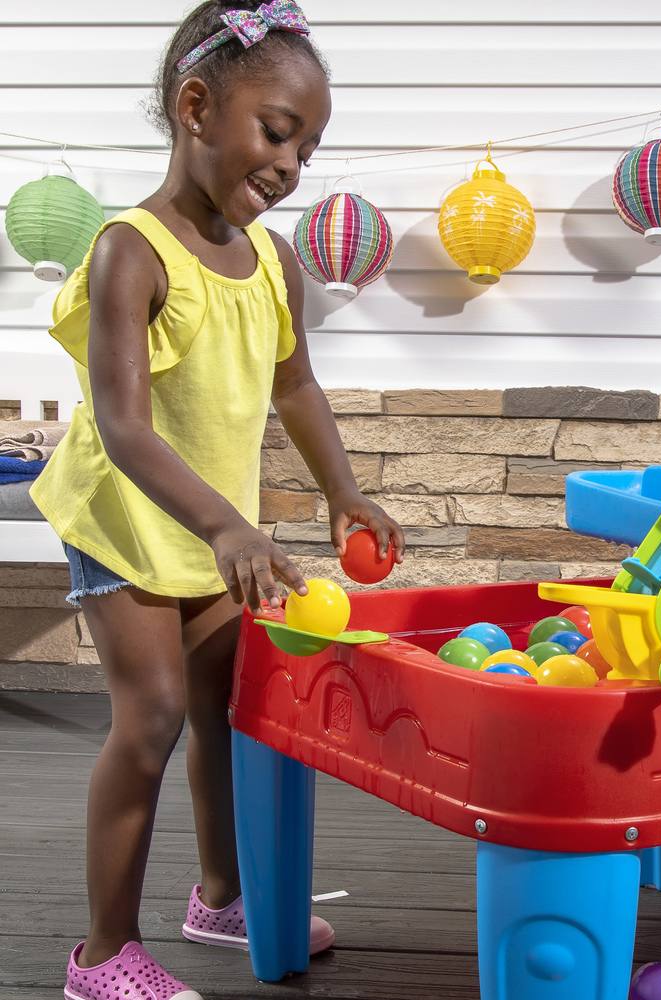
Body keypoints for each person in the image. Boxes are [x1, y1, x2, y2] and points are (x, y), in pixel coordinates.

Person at [30, 4, 405, 999]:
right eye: (277, 133)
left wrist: (344, 492)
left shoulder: (274, 261)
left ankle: (221, 898)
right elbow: (124, 429)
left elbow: (295, 388)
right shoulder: (132, 252)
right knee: (151, 715)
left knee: (228, 709)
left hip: (210, 526)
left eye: (307, 150)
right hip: (128, 515)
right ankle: (102, 957)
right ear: (196, 107)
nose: (289, 165)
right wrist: (229, 524)